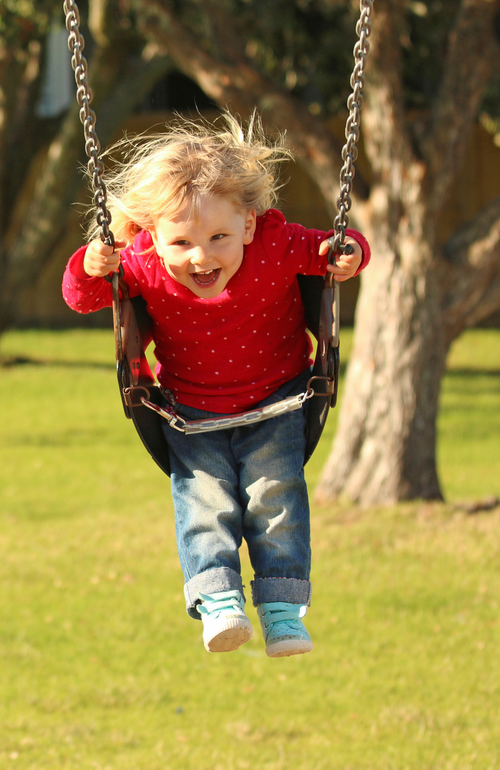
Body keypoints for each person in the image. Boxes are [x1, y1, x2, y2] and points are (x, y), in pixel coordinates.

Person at [61, 114, 370, 657]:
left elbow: (336, 249)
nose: (201, 257)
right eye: (180, 241)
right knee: (204, 506)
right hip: (190, 412)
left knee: (277, 502)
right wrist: (91, 263)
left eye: (219, 237)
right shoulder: (143, 263)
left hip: (279, 401)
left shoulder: (276, 244)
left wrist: (349, 256)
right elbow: (83, 296)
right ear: (153, 236)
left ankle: (281, 610)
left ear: (250, 224)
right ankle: (219, 604)